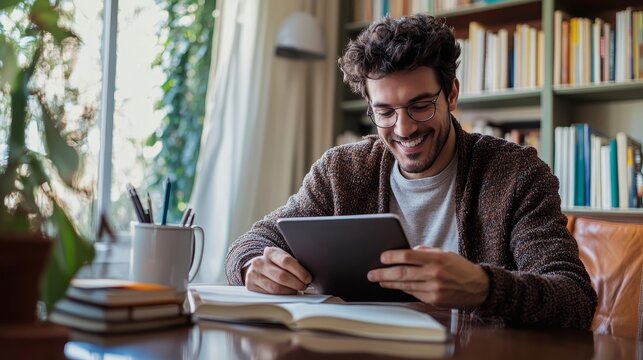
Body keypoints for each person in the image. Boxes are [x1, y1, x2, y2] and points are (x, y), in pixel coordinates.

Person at [225, 14, 597, 329]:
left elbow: (575, 297)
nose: (403, 129)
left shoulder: (516, 173)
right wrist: (253, 267)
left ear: (451, 94)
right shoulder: (341, 170)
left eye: (420, 105)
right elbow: (252, 242)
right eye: (385, 112)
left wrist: (483, 287)